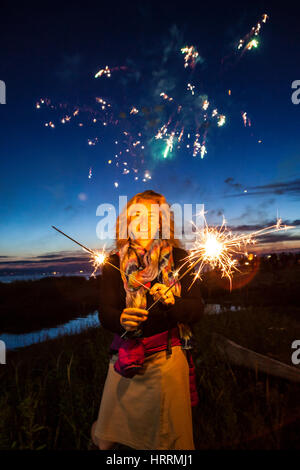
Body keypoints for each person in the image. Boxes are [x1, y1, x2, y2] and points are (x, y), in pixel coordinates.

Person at [91, 190, 204, 450]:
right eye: (136, 215)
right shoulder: (113, 263)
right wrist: (121, 319)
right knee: (108, 438)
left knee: (170, 441)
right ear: (125, 222)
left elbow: (197, 310)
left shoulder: (181, 259)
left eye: (152, 216)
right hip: (126, 359)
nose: (143, 222)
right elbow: (105, 313)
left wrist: (173, 303)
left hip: (167, 358)